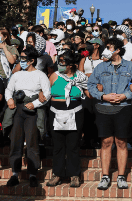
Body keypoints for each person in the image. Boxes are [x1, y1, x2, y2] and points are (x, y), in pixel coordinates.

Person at [88, 38, 132, 190]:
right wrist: (102, 96)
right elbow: (91, 84)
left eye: (109, 47)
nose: (106, 50)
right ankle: (105, 176)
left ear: (117, 50)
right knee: (106, 142)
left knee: (121, 142)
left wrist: (125, 95)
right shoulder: (100, 67)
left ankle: (121, 176)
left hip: (122, 108)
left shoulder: (131, 66)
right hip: (103, 108)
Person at [4, 46, 51, 187]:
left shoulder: (40, 75)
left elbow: (47, 94)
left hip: (32, 111)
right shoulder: (17, 75)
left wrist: (35, 104)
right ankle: (14, 173)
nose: (21, 61)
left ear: (31, 60)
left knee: (32, 142)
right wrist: (9, 99)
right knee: (15, 142)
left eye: (23, 59)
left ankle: (32, 174)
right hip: (17, 109)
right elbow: (8, 89)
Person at [46, 50, 89, 188]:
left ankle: (74, 175)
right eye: (60, 61)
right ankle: (57, 174)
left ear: (71, 65)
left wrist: (98, 89)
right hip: (55, 112)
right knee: (58, 145)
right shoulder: (54, 76)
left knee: (73, 145)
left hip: (75, 112)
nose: (60, 64)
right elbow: (45, 92)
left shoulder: (80, 77)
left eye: (63, 62)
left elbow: (90, 93)